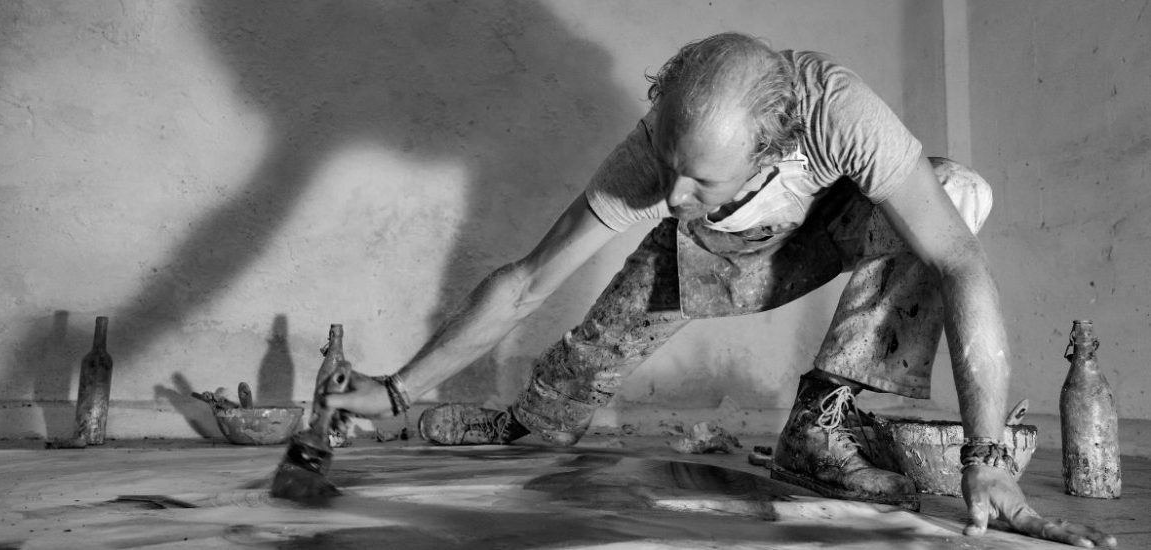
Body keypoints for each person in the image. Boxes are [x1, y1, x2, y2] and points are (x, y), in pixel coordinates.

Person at [327, 33, 1116, 547]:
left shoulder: (840, 113)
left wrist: (987, 458)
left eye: (699, 179)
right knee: (558, 410)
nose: (672, 193)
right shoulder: (657, 161)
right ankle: (526, 421)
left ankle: (820, 423)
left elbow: (959, 264)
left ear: (774, 146)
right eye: (670, 167)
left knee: (957, 193)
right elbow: (528, 282)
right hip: (708, 258)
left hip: (826, 234)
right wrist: (396, 391)